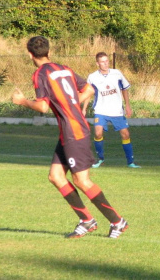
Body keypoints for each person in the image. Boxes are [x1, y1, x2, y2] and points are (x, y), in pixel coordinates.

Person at [11, 36, 129, 239]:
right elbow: (89, 89)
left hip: (74, 131)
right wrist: (74, 104)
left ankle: (117, 221)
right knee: (55, 177)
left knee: (82, 181)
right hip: (68, 131)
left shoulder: (40, 74)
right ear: (48, 51)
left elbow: (42, 106)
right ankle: (86, 220)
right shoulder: (63, 68)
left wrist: (22, 101)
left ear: (30, 54)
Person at [82, 52, 140, 169]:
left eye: (107, 61)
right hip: (100, 110)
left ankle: (130, 162)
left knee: (125, 134)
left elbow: (124, 89)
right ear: (97, 63)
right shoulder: (92, 77)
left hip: (117, 110)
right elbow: (88, 93)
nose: (106, 63)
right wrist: (84, 109)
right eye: (103, 62)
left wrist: (127, 106)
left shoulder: (117, 73)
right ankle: (100, 159)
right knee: (98, 133)